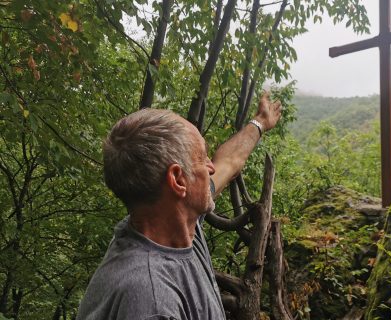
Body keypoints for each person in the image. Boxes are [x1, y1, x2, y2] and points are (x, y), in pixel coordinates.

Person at [76, 93, 282, 320]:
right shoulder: (152, 301)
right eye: (203, 157)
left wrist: (260, 122)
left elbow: (229, 162)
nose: (211, 167)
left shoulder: (178, 224)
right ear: (178, 180)